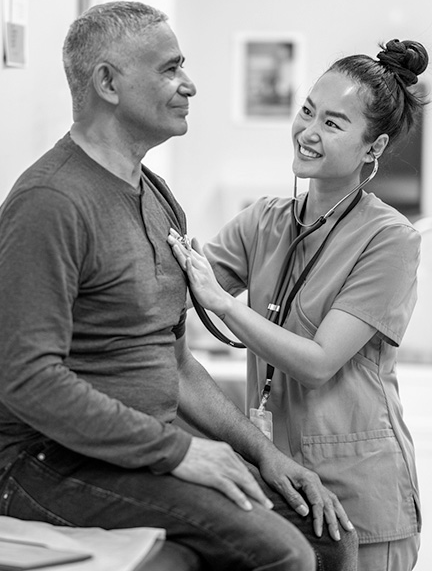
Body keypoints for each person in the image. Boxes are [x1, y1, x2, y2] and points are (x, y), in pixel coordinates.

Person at [0, 1, 358, 570]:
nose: (190, 85)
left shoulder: (157, 197)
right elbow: (27, 380)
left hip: (134, 448)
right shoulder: (49, 205)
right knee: (280, 553)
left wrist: (264, 455)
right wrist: (178, 453)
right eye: (171, 69)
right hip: (40, 461)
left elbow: (176, 367)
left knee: (330, 537)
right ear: (108, 82)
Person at [168, 38, 428, 571]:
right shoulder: (264, 221)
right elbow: (177, 284)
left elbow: (317, 363)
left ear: (373, 148)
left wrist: (226, 305)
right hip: (282, 486)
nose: (308, 132)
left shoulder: (390, 238)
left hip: (361, 492)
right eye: (308, 110)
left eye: (333, 124)